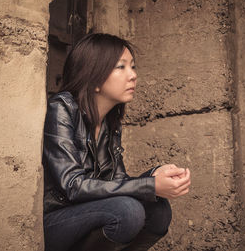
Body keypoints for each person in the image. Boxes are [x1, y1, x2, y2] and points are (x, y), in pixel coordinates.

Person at [42, 33, 191, 251]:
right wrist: (148, 185)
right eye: (121, 67)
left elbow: (117, 180)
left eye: (133, 66)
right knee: (127, 211)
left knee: (158, 209)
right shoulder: (61, 109)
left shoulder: (110, 121)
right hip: (56, 221)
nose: (133, 76)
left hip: (89, 211)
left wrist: (154, 176)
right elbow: (73, 186)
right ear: (93, 75)